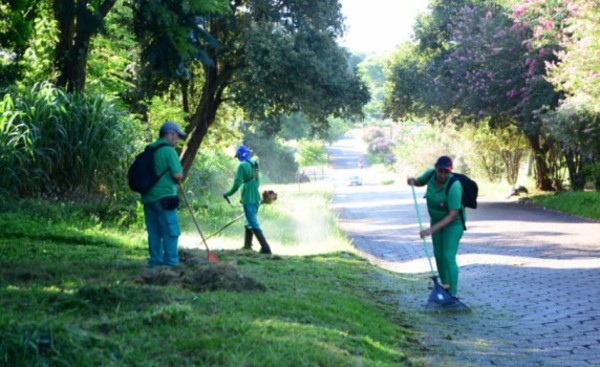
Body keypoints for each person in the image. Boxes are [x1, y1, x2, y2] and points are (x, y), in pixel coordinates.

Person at [407, 155, 465, 299]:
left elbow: (452, 215)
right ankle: (445, 286)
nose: (443, 175)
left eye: (446, 172)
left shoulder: (454, 186)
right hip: (436, 221)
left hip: (454, 224)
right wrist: (412, 181)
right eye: (440, 171)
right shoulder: (430, 174)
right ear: (436, 169)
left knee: (448, 256)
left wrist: (431, 230)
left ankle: (453, 293)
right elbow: (419, 182)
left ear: (450, 171)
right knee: (438, 255)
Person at [141, 121, 186, 267]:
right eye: (177, 136)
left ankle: (155, 263)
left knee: (154, 233)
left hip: (148, 197)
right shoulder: (169, 151)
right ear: (170, 134)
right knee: (171, 232)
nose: (177, 139)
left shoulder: (150, 148)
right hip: (165, 198)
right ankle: (171, 263)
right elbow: (178, 175)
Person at [223, 145, 272, 255]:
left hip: (248, 198)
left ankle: (266, 248)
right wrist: (252, 190)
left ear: (240, 155)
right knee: (248, 221)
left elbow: (237, 183)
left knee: (253, 222)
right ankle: (247, 245)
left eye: (238, 156)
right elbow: (257, 180)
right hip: (255, 197)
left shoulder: (242, 166)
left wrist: (228, 193)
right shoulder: (254, 163)